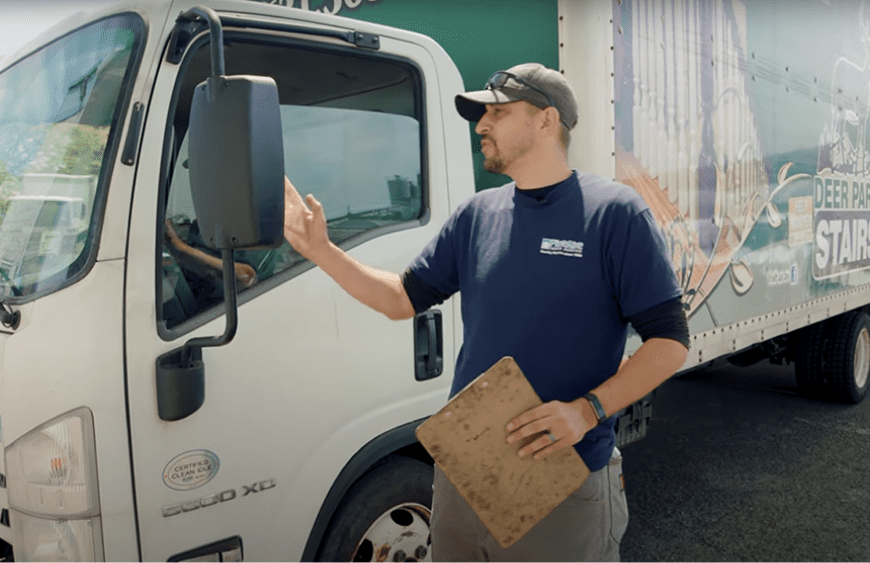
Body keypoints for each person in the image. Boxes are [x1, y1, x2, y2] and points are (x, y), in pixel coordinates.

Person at [283, 62, 690, 562]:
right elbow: (400, 299)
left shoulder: (615, 214)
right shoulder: (477, 215)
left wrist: (587, 412)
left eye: (497, 112)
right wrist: (323, 251)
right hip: (465, 476)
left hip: (563, 478)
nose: (481, 125)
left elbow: (669, 344)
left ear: (546, 121)